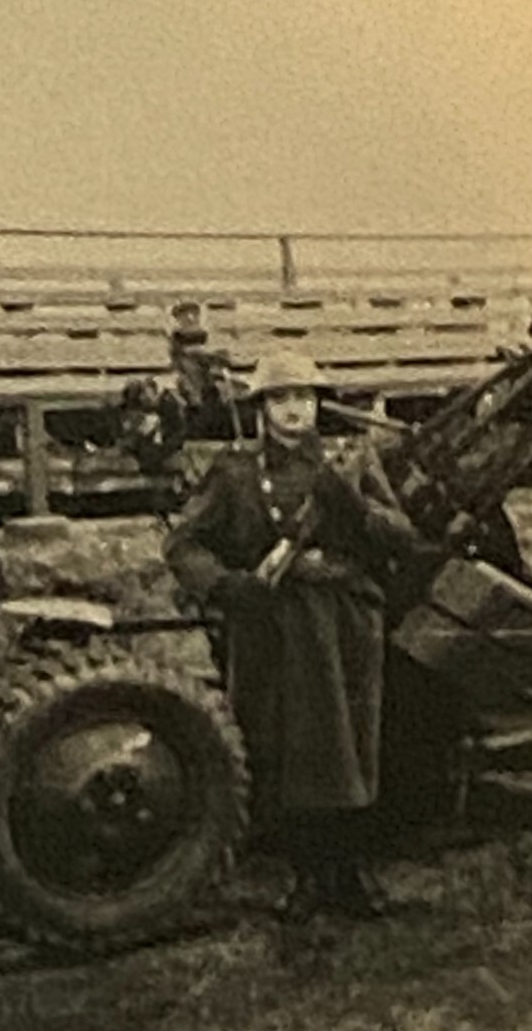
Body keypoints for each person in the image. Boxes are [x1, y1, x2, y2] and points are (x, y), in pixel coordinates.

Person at [163, 349, 421, 921]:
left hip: (345, 619)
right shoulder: (234, 472)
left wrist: (354, 508)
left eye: (304, 397)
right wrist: (229, 586)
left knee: (352, 745)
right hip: (276, 625)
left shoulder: (349, 463)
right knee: (288, 748)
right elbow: (184, 544)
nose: (294, 410)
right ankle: (304, 875)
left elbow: (402, 534)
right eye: (281, 398)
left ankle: (350, 871)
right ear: (261, 408)